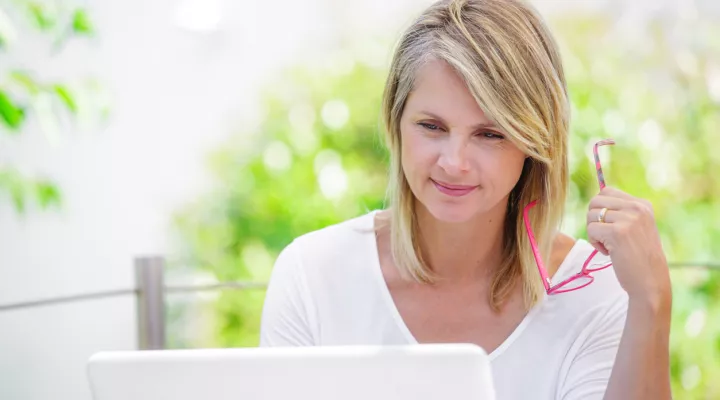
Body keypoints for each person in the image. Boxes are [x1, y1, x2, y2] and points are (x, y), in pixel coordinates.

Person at [259, 0, 672, 399]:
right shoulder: (312, 277)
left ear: (534, 142)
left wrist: (652, 300)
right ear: (395, 123)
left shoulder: (595, 292)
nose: (454, 163)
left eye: (490, 134)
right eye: (431, 126)